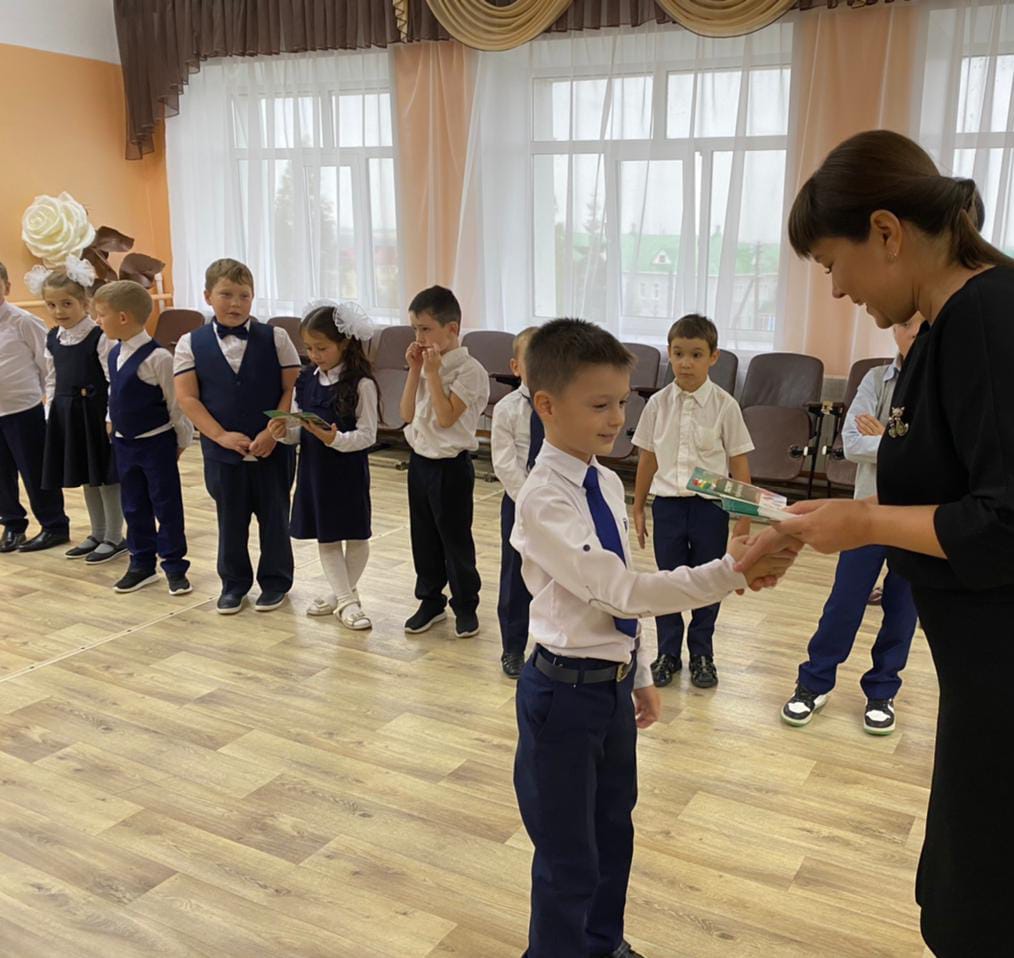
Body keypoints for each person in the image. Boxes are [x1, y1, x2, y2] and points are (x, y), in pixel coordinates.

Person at [737, 129, 1014, 956]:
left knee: (977, 911)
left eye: (833, 264)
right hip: (977, 675)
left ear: (887, 232)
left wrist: (858, 524)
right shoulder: (943, 330)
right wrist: (809, 527)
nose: (836, 289)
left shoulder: (988, 319)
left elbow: (1004, 521)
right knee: (955, 895)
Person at [512, 318, 798, 958]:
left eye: (622, 402)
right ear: (547, 405)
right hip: (561, 696)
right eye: (599, 405)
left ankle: (603, 944)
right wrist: (730, 572)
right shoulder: (544, 499)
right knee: (567, 858)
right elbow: (619, 591)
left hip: (610, 689)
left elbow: (622, 596)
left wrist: (638, 673)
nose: (617, 419)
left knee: (613, 834)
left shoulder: (603, 480)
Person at [781, 316, 922, 734]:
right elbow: (854, 443)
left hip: (917, 517)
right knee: (845, 600)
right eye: (907, 324)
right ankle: (813, 683)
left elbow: (943, 454)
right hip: (865, 516)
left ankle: (883, 690)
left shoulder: (943, 385)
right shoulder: (876, 380)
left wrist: (889, 439)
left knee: (903, 608)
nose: (915, 332)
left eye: (924, 324)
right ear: (894, 329)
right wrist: (907, 445)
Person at [631, 314, 754, 690]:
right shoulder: (657, 404)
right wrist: (638, 506)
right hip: (668, 506)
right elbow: (648, 458)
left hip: (710, 509)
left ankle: (702, 654)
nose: (686, 363)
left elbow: (738, 463)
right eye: (678, 353)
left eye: (696, 354)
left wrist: (744, 518)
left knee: (709, 582)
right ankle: (668, 653)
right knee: (668, 582)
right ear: (669, 354)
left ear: (713, 357)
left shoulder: (725, 406)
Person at [174, 258, 301, 614]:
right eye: (226, 295)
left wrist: (273, 431)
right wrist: (220, 436)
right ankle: (233, 584)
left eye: (244, 295)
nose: (235, 304)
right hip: (222, 452)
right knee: (230, 520)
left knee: (275, 517)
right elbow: (188, 398)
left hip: (272, 448)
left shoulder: (276, 338)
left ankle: (275, 582)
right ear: (207, 296)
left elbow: (291, 388)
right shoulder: (189, 343)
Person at [268, 300, 378, 630]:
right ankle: (346, 600)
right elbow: (298, 431)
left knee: (356, 535)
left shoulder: (361, 384)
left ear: (344, 344)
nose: (314, 355)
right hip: (315, 471)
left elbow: (368, 435)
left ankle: (341, 598)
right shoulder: (305, 381)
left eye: (322, 348)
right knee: (326, 537)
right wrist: (283, 433)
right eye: (309, 348)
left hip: (347, 471)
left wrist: (335, 439)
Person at [399, 285, 490, 639]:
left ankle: (465, 605)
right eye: (415, 329)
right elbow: (406, 414)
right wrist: (415, 371)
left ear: (452, 329)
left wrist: (433, 374)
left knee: (455, 540)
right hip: (420, 462)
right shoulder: (424, 364)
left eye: (426, 329)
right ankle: (430, 601)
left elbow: (447, 417)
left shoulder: (470, 370)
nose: (419, 337)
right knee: (422, 536)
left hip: (451, 467)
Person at [93, 281, 194, 596]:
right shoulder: (114, 353)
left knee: (166, 505)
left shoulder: (159, 358)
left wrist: (181, 441)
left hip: (156, 444)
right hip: (124, 444)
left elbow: (176, 404)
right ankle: (141, 564)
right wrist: (111, 422)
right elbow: (115, 391)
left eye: (101, 314)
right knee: (134, 505)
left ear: (123, 317)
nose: (97, 320)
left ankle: (175, 567)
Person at [36, 266, 126, 563]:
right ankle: (97, 532)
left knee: (106, 477)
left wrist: (111, 416)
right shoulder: (53, 338)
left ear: (85, 303)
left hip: (95, 413)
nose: (58, 311)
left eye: (66, 303)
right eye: (51, 305)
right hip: (68, 415)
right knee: (87, 475)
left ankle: (115, 536)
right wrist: (50, 412)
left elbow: (113, 379)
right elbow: (52, 378)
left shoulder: (99, 336)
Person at [0, 260, 69, 553]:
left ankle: (54, 525)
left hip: (24, 409)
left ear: (6, 287)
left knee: (35, 471)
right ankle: (13, 523)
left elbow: (48, 366)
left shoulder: (23, 321)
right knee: (1, 475)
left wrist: (47, 402)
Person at [490, 326, 541, 678]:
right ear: (516, 366)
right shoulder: (507, 409)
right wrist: (529, 502)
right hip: (519, 502)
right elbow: (505, 463)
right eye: (531, 360)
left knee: (557, 573)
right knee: (515, 575)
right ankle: (512, 647)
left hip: (559, 503)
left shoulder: (563, 404)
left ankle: (554, 644)